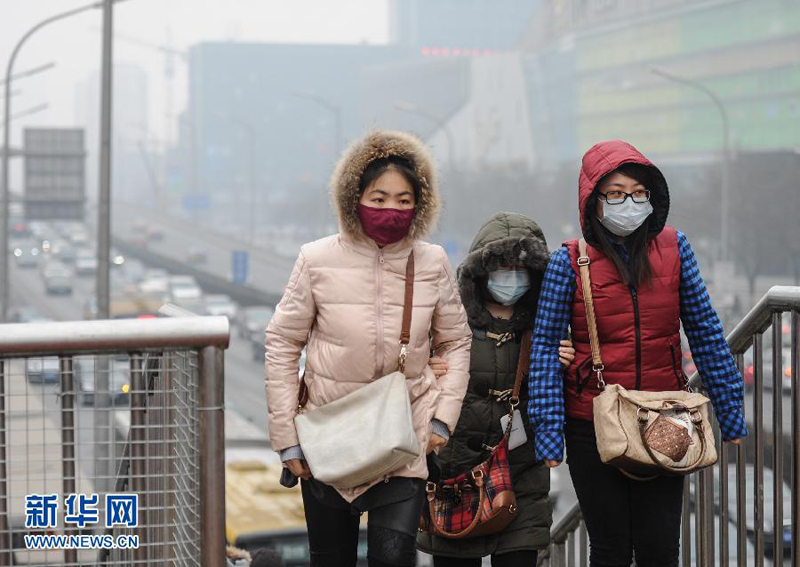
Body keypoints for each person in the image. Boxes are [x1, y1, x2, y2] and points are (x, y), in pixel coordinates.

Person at [529, 140, 747, 567]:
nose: (628, 202)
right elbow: (544, 351)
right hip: (590, 423)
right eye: (614, 193)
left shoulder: (675, 248)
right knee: (610, 550)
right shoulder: (569, 261)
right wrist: (549, 433)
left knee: (660, 549)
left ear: (652, 196)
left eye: (638, 192)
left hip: (664, 417)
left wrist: (731, 410)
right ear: (593, 201)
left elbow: (704, 331)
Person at [265, 130, 472, 567]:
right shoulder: (316, 259)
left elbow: (456, 342)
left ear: (420, 203)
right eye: (378, 198)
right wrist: (287, 440)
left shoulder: (432, 261)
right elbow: (283, 343)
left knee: (395, 558)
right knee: (331, 559)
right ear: (353, 197)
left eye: (403, 199)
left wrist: (442, 420)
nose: (391, 210)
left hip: (404, 440)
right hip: (327, 435)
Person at [417, 212, 576, 566]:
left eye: (520, 269)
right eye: (501, 267)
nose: (511, 278)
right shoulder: (447, 322)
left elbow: (559, 404)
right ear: (480, 272)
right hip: (454, 472)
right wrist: (425, 369)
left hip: (521, 473)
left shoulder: (548, 327)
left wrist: (564, 369)